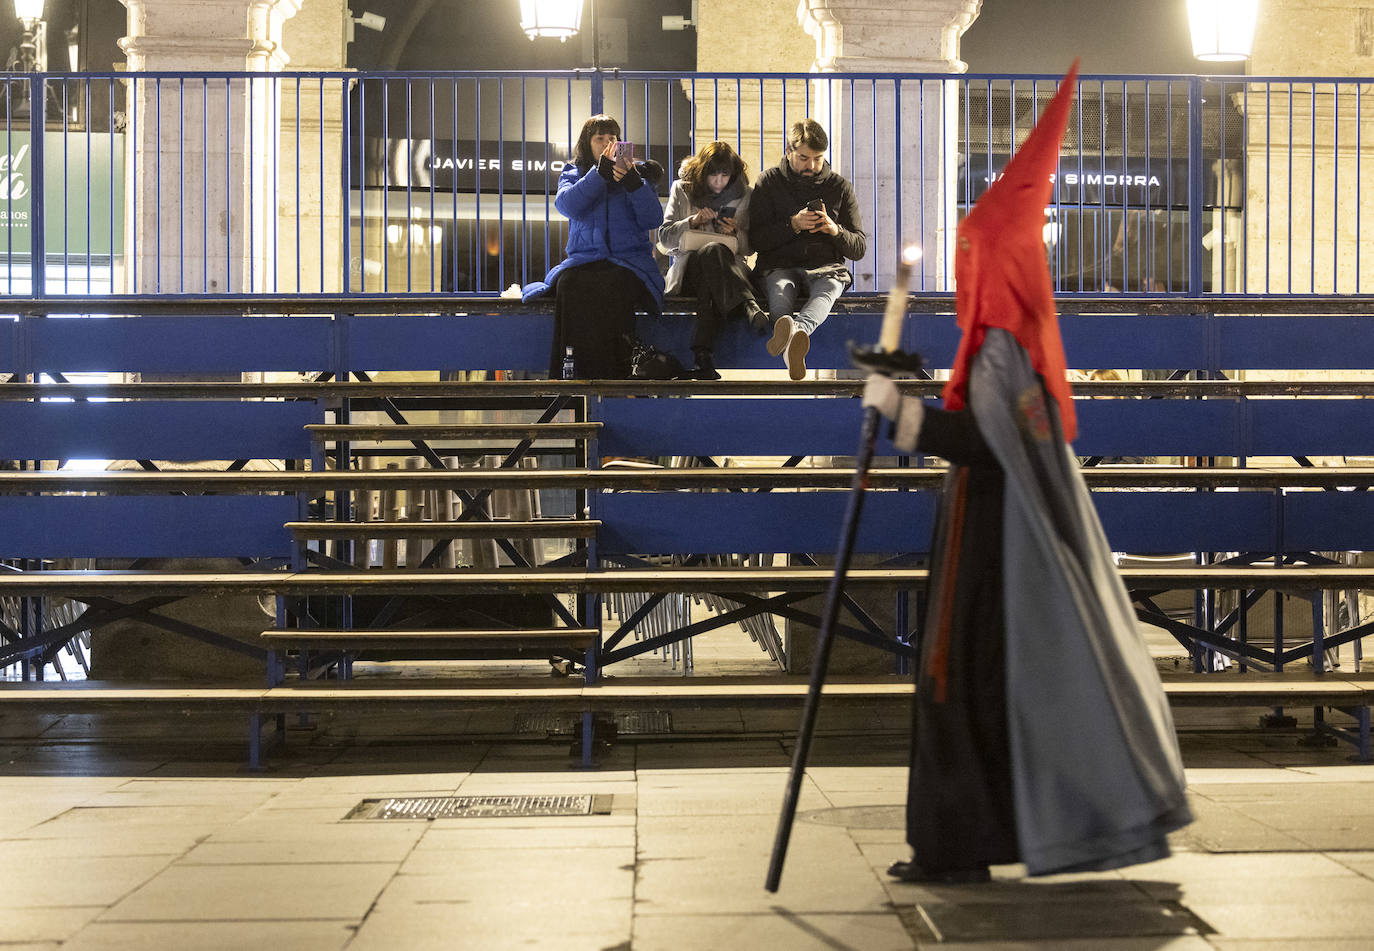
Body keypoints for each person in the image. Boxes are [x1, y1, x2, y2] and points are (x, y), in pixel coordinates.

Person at [862, 62, 1191, 885]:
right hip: (988, 531)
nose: (965, 264)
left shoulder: (1003, 345)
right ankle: (959, 838)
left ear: (996, 265)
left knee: (959, 682)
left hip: (993, 541)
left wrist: (899, 412)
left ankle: (955, 843)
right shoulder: (1002, 343)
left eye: (974, 252)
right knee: (972, 687)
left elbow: (982, 438)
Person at [522, 114, 664, 379]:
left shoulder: (638, 174)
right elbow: (567, 206)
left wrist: (633, 182)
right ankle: (570, 370)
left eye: (612, 138)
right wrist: (598, 175)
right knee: (570, 285)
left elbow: (653, 218)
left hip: (628, 262)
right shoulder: (574, 171)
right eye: (599, 139)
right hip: (584, 261)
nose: (607, 143)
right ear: (587, 144)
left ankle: (616, 373)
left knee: (615, 286)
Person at [747, 118, 866, 381]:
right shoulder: (768, 182)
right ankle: (793, 342)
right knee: (780, 297)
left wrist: (835, 230)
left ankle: (796, 332)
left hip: (826, 267)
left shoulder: (839, 187)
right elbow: (755, 240)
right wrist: (793, 225)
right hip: (778, 265)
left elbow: (859, 247)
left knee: (828, 291)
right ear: (788, 151)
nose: (811, 165)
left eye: (818, 158)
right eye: (803, 158)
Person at [658, 141, 769, 381]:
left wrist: (736, 232)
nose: (719, 181)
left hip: (724, 274)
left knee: (713, 256)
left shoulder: (745, 195)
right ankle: (748, 304)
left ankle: (702, 356)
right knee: (710, 254)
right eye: (713, 175)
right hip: (690, 271)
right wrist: (691, 222)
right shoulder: (682, 189)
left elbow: (749, 248)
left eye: (725, 175)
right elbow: (664, 238)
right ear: (702, 172)